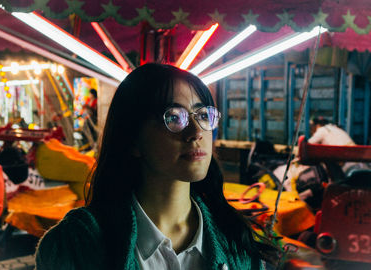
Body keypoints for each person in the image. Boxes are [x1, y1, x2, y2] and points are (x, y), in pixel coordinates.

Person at [35, 64, 279, 270]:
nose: (196, 132)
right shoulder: (77, 244)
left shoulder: (237, 241)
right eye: (174, 117)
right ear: (133, 140)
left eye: (203, 116)